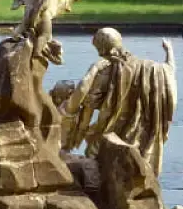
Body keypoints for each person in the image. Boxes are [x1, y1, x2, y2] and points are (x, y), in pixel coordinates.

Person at [60, 29, 176, 175]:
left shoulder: (104, 72)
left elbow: (87, 108)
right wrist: (169, 51)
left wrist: (80, 133)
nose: (99, 54)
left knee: (93, 156)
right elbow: (169, 71)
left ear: (102, 49)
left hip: (111, 135)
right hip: (142, 137)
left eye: (98, 50)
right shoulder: (151, 69)